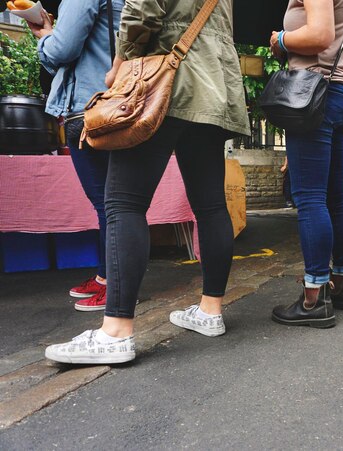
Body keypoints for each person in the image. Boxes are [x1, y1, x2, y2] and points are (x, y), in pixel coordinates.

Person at [44, 0, 250, 364]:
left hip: (164, 79)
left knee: (124, 203)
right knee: (211, 204)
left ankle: (116, 332)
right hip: (215, 85)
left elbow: (142, 11)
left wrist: (119, 67)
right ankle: (210, 310)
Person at [270, 0, 343, 328]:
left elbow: (320, 34)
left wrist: (281, 40)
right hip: (342, 91)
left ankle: (314, 297)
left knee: (309, 197)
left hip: (313, 91)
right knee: (335, 196)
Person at [28, 0, 123, 312]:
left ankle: (118, 287)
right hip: (111, 103)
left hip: (89, 108)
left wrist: (45, 35)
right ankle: (108, 277)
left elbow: (61, 51)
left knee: (111, 205)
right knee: (111, 203)